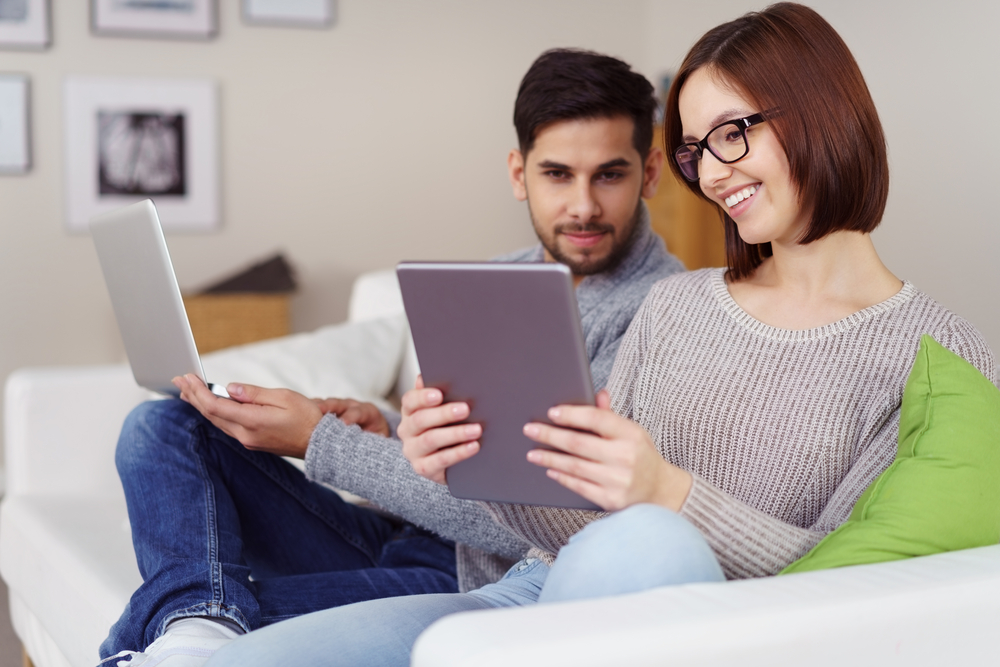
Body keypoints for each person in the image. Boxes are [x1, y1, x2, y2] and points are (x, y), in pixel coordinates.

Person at [199, 4, 996, 666]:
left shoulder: (933, 359)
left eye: (733, 133)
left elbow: (837, 582)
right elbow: (582, 530)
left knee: (649, 537)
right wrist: (465, 464)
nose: (713, 173)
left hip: (687, 630)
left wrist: (669, 496)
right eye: (694, 149)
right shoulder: (678, 306)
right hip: (535, 591)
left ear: (822, 111)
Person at [100, 49, 686, 666]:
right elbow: (451, 460)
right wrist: (387, 432)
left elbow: (535, 523)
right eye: (558, 174)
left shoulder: (663, 316)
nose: (584, 206)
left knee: (182, 614)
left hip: (466, 581)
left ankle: (191, 622)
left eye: (610, 175)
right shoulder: (496, 281)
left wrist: (321, 442)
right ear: (519, 173)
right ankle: (197, 619)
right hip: (394, 536)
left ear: (650, 172)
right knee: (163, 427)